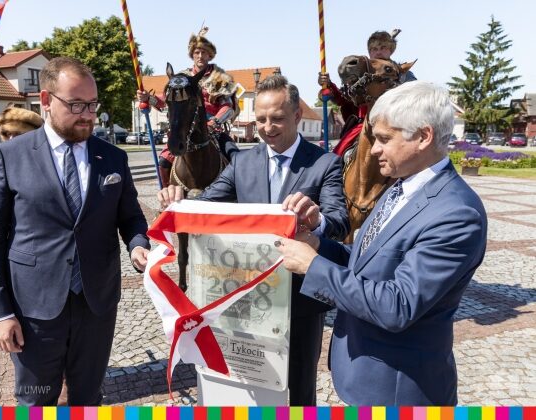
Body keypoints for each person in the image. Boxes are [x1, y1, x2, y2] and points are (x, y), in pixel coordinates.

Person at [275, 81, 488, 405]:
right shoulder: (400, 187)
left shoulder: (457, 214)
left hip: (399, 390)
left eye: (385, 140)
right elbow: (367, 263)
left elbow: (397, 305)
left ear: (423, 137)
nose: (373, 149)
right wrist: (318, 245)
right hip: (362, 375)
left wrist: (311, 265)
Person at [158, 75, 349, 406]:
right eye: (260, 119)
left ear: (296, 116)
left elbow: (339, 220)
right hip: (248, 297)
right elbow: (205, 205)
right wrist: (177, 201)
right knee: (251, 389)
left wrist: (316, 222)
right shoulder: (242, 162)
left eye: (276, 118)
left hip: (300, 299)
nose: (267, 127)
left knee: (298, 391)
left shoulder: (325, 163)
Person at [0, 56, 151, 406]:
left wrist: (137, 245)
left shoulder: (113, 158)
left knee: (87, 398)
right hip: (33, 309)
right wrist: (0, 314)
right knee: (36, 401)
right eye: (75, 105)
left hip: (96, 305)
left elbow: (131, 218)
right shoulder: (11, 156)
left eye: (92, 104)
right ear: (45, 100)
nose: (88, 114)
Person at [137, 27, 239, 187]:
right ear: (192, 54)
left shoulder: (220, 77)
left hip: (213, 129)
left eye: (204, 52)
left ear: (210, 55)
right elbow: (165, 101)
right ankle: (166, 201)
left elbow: (228, 107)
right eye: (197, 52)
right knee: (164, 160)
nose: (200, 56)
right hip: (184, 128)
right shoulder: (181, 78)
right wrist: (148, 98)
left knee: (237, 158)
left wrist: (214, 123)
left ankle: (239, 197)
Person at [318, 29, 416, 147]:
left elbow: (414, 103)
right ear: (369, 52)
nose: (378, 52)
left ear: (391, 50)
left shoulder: (403, 73)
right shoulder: (360, 73)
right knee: (339, 154)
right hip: (365, 124)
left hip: (397, 124)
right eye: (374, 49)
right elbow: (345, 100)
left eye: (383, 48)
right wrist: (328, 85)